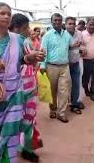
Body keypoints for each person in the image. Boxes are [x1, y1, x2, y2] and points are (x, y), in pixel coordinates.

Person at [8, 13, 45, 161]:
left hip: (28, 86)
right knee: (20, 119)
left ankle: (25, 148)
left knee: (27, 118)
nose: (28, 30)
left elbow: (33, 64)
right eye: (25, 28)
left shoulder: (25, 42)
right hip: (16, 88)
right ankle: (19, 149)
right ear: (16, 28)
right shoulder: (12, 42)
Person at [40, 13, 74, 123]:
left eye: (59, 20)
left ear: (62, 21)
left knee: (64, 90)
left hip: (65, 67)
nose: (57, 22)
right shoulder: (47, 35)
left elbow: (72, 45)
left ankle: (61, 112)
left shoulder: (67, 35)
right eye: (55, 20)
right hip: (51, 67)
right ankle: (53, 109)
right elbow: (43, 51)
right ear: (52, 21)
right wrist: (42, 65)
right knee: (52, 90)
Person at [65, 16, 86, 114]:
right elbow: (61, 49)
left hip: (76, 62)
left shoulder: (79, 34)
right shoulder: (63, 35)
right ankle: (63, 105)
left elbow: (82, 45)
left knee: (76, 84)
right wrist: (71, 46)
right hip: (64, 64)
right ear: (65, 25)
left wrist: (82, 49)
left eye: (73, 23)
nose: (72, 25)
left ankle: (74, 103)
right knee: (64, 85)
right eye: (69, 23)